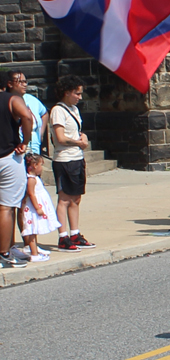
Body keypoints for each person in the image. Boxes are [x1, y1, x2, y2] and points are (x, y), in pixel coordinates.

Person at [50, 75, 94, 252]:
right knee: (64, 198)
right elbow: (60, 137)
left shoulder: (74, 110)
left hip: (77, 158)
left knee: (76, 197)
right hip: (64, 159)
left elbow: (77, 131)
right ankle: (63, 237)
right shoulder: (58, 110)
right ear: (67, 92)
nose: (79, 97)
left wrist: (83, 138)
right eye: (77, 93)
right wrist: (78, 142)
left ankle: (75, 233)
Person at [0, 84, 32, 268]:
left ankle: (9, 248)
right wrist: (25, 141)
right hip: (7, 157)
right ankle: (4, 253)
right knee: (7, 207)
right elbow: (27, 116)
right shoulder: (11, 99)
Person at [20, 153, 58, 261]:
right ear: (35, 165)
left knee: (34, 230)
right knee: (32, 231)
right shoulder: (31, 180)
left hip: (34, 208)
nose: (42, 168)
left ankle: (34, 250)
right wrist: (37, 208)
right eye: (41, 165)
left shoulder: (35, 178)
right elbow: (31, 194)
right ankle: (34, 254)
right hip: (32, 209)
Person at [6, 71, 48, 154]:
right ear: (10, 84)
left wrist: (41, 133)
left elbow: (44, 113)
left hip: (35, 149)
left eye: (25, 82)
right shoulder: (6, 101)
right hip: (16, 149)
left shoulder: (31, 99)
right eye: (20, 82)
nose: (25, 85)